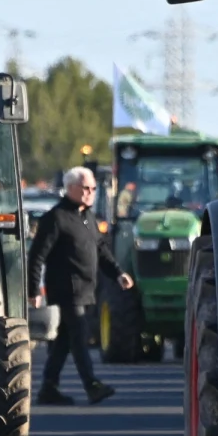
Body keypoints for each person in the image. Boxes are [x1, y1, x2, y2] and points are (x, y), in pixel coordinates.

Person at [28, 165, 133, 405]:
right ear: (71, 188)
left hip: (86, 289)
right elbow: (36, 256)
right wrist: (33, 289)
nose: (90, 193)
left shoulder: (88, 217)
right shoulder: (55, 218)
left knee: (64, 340)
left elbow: (101, 249)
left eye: (93, 188)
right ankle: (91, 384)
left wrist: (118, 273)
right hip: (66, 290)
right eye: (86, 188)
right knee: (79, 336)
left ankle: (48, 388)